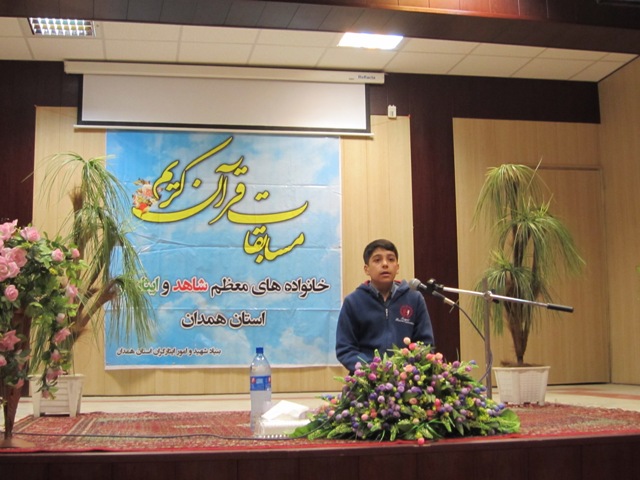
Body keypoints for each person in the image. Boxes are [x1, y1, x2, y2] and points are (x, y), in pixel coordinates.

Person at [335, 239, 435, 372]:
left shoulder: (414, 298)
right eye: (377, 260)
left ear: (397, 267)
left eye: (391, 259)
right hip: (367, 377)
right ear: (366, 269)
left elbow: (425, 344)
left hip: (406, 378)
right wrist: (372, 369)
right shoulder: (353, 301)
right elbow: (345, 348)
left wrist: (406, 368)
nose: (385, 264)